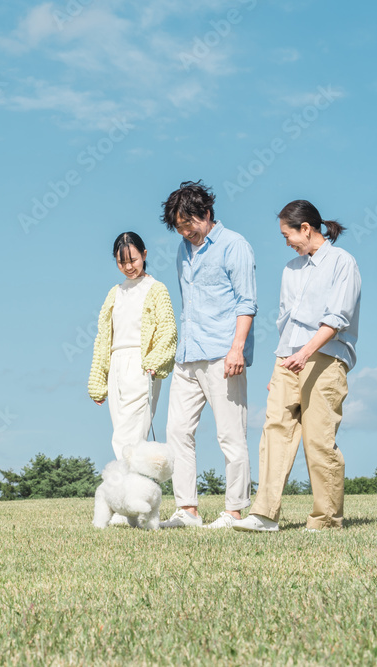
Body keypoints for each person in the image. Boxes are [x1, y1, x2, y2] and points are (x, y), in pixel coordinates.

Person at [235, 200, 361, 533]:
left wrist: (304, 353)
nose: (286, 241)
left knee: (318, 440)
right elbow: (285, 321)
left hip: (326, 357)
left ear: (306, 228)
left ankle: (326, 520)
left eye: (287, 234)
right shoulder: (290, 268)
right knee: (275, 430)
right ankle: (264, 514)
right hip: (288, 358)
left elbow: (337, 318)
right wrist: (281, 364)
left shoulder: (342, 263)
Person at [159, 180, 257, 530]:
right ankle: (187, 509)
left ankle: (233, 512)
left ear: (207, 214)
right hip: (188, 355)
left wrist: (237, 349)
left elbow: (246, 303)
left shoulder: (235, 246)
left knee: (230, 435)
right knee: (177, 432)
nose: (186, 231)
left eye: (190, 223)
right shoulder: (183, 250)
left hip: (223, 354)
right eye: (179, 226)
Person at [88, 232, 177, 465]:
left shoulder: (156, 288)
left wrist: (155, 362)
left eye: (133, 260)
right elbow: (103, 338)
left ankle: (128, 486)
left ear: (144, 254)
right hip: (116, 364)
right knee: (121, 430)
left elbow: (167, 329)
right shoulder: (114, 292)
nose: (128, 266)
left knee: (130, 432)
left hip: (143, 364)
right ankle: (130, 488)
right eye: (122, 262)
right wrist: (99, 380)